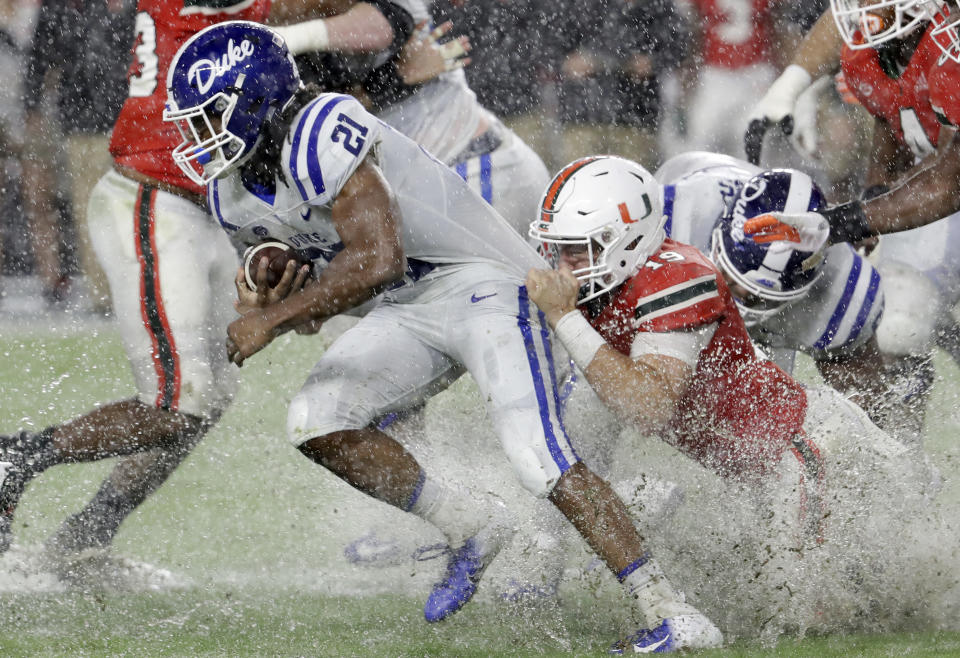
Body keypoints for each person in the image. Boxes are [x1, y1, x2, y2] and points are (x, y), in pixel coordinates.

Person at [163, 21, 723, 653]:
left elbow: (378, 258)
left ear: (257, 102)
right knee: (314, 420)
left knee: (536, 455)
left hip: (483, 283)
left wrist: (271, 319)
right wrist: (269, 282)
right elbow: (313, 278)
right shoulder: (230, 190)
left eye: (208, 117)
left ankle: (673, 611)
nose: (197, 137)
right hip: (409, 304)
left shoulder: (320, 127)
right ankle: (475, 527)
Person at [0, 0, 415, 585]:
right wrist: (377, 64)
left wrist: (371, 61)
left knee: (205, 400)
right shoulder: (223, 19)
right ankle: (17, 456)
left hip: (211, 204)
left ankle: (82, 540)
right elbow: (380, 22)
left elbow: (385, 20)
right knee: (179, 401)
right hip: (155, 196)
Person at [525, 154, 930, 642]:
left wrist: (565, 319)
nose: (564, 266)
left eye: (579, 250)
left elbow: (647, 407)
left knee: (797, 618)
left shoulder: (681, 276)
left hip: (807, 446)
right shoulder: (666, 215)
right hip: (767, 449)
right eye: (564, 249)